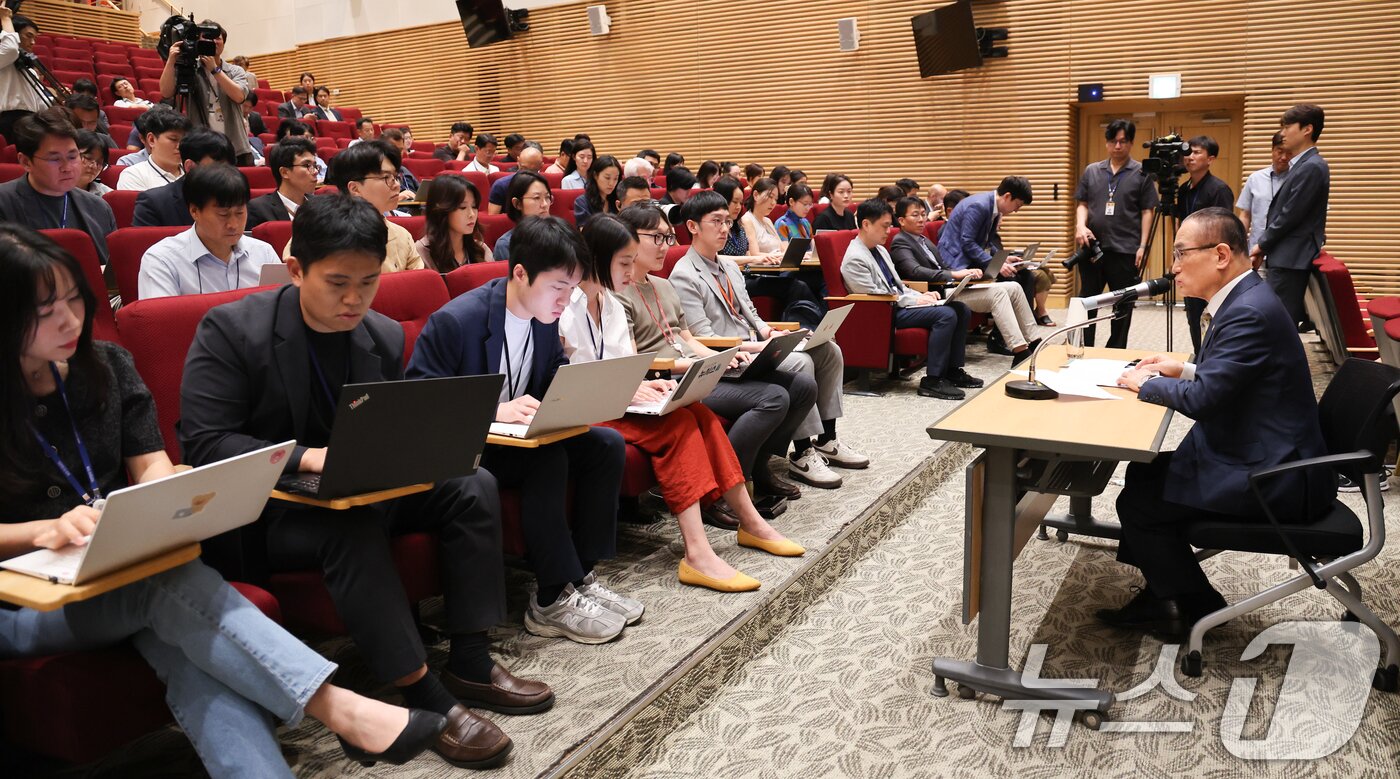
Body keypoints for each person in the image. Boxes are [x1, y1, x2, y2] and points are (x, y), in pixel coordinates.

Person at [0, 223, 448, 777]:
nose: (71, 320)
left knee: (190, 649)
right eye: (46, 311)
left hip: (119, 566)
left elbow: (149, 466)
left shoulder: (107, 368)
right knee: (165, 586)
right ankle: (337, 707)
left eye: (75, 299)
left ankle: (327, 727)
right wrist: (39, 531)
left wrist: (170, 494)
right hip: (23, 603)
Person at [180, 194, 533, 768]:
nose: (354, 300)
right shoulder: (231, 330)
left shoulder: (383, 335)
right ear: (296, 270)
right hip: (272, 511)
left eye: (367, 283)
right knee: (350, 523)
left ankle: (469, 655)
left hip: (361, 486)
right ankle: (421, 695)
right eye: (337, 283)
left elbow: (383, 429)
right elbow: (206, 444)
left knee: (474, 484)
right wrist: (308, 457)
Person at [1100, 207, 1335, 638]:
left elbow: (1205, 400)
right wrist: (1179, 368)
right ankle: (1162, 592)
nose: (1173, 268)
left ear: (1221, 254)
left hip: (1275, 475)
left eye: (1180, 254)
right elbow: (1232, 376)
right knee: (1143, 471)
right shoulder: (1247, 299)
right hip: (1264, 449)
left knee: (1140, 504)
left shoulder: (1248, 311)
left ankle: (1195, 606)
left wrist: (1142, 383)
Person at [407, 215, 636, 643]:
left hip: (517, 439)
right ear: (519, 273)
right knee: (546, 458)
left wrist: (575, 397)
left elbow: (551, 377)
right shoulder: (457, 321)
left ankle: (579, 578)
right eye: (557, 287)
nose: (566, 300)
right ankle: (550, 598)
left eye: (572, 289)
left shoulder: (544, 318)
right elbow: (419, 404)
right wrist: (495, 411)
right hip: (467, 447)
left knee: (605, 444)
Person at [561, 214, 805, 590]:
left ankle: (750, 522)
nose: (630, 273)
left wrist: (644, 385)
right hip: (589, 407)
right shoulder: (569, 305)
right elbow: (578, 378)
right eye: (624, 263)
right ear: (596, 258)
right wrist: (630, 386)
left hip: (620, 399)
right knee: (679, 426)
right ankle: (697, 552)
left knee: (699, 415)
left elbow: (626, 363)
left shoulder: (607, 302)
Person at [616, 204, 814, 510]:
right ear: (628, 238)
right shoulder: (618, 292)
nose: (665, 248)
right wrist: (703, 365)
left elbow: (688, 338)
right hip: (668, 379)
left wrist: (718, 359)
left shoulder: (663, 285)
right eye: (657, 238)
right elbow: (634, 361)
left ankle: (759, 466)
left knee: (802, 387)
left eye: (668, 238)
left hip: (694, 369)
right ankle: (728, 484)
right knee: (773, 397)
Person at [670, 190, 869, 489]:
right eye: (716, 222)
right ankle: (802, 453)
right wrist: (758, 345)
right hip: (731, 356)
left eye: (727, 221)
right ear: (693, 227)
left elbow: (750, 313)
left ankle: (828, 438)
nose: (725, 229)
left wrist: (770, 332)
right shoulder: (684, 274)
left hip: (754, 344)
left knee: (828, 349)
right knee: (800, 362)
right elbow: (703, 338)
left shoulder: (727, 266)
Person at [842, 198, 979, 400]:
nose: (889, 231)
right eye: (885, 226)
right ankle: (932, 380)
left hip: (896, 304)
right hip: (882, 312)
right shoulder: (855, 258)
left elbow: (897, 285)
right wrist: (915, 301)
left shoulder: (879, 249)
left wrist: (921, 295)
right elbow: (877, 297)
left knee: (960, 309)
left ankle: (952, 370)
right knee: (946, 315)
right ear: (866, 224)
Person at [889, 196, 1041, 362]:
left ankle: (1034, 341)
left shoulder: (923, 240)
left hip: (951, 285)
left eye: (924, 214)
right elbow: (916, 271)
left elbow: (943, 267)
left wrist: (964, 273)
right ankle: (1019, 350)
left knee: (1013, 287)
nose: (921, 219)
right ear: (902, 221)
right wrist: (955, 274)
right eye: (915, 215)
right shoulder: (900, 242)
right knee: (998, 294)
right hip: (936, 293)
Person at [1073, 118, 1159, 348]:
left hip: (1125, 250)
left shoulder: (1142, 173)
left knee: (1123, 305)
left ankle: (1115, 351)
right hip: (1092, 248)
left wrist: (1143, 246)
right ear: (1107, 143)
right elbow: (1082, 203)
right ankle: (1083, 348)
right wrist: (1080, 226)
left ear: (1131, 143)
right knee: (1087, 302)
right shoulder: (1092, 170)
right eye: (1113, 141)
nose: (1118, 146)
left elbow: (1147, 211)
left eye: (1123, 141)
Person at [136, 164, 281, 298]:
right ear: (194, 211)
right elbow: (162, 321)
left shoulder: (264, 253)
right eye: (223, 215)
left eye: (240, 213)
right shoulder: (162, 260)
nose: (233, 225)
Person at [0, 108, 117, 266]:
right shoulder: (4, 203)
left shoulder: (99, 208)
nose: (67, 167)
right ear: (26, 162)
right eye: (54, 159)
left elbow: (113, 274)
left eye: (72, 156)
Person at [936, 176, 1049, 335]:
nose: (1016, 210)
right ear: (1007, 196)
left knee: (1025, 275)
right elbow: (967, 242)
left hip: (971, 258)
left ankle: (1025, 333)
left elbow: (986, 243)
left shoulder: (993, 208)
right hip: (957, 262)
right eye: (1017, 205)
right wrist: (993, 263)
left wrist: (1003, 259)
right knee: (1011, 278)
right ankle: (1000, 338)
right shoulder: (979, 206)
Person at [1251, 104, 1329, 329]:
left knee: (1279, 324)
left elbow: (1290, 215)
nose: (1283, 133)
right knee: (1276, 320)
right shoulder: (1303, 165)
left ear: (1307, 129)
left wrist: (1261, 245)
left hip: (1291, 257)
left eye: (1287, 127)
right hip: (1286, 255)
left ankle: (1278, 366)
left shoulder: (1312, 166)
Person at [306, 141, 421, 272]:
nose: (396, 185)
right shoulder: (318, 232)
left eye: (395, 177)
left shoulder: (402, 235)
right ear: (355, 188)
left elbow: (419, 287)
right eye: (386, 178)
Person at [731, 176, 824, 330]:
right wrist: (776, 256)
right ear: (755, 195)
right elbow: (753, 255)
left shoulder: (767, 221)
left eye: (775, 198)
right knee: (799, 286)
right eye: (769, 196)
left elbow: (782, 250)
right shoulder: (747, 220)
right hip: (759, 273)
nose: (773, 202)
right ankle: (810, 328)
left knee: (819, 278)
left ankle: (820, 325)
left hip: (776, 268)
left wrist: (798, 255)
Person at [158, 21, 257, 165]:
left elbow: (239, 96)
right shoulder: (190, 69)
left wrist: (215, 69)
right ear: (198, 41)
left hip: (235, 146)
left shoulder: (235, 71)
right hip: (202, 147)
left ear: (223, 43)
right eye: (207, 38)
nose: (213, 41)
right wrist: (172, 60)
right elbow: (166, 92)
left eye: (217, 38)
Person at [1175, 135, 1236, 352]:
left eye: (1197, 152)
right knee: (1193, 313)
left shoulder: (1219, 189)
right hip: (1189, 257)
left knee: (1210, 313)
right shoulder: (1183, 190)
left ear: (1210, 159)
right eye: (1188, 152)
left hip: (1209, 260)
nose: (1189, 157)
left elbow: (1224, 229)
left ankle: (1213, 357)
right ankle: (1199, 356)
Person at [131, 127, 237, 228]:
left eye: (229, 169)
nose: (224, 176)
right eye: (216, 170)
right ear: (190, 167)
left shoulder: (237, 199)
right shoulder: (153, 204)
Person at [417, 173, 493, 270]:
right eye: (462, 207)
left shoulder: (481, 249)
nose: (472, 214)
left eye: (474, 207)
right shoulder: (421, 253)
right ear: (442, 210)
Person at [1236, 131, 1292, 254]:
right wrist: (1239, 244)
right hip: (1254, 251)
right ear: (1272, 150)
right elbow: (1245, 215)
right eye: (1280, 151)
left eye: (1289, 153)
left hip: (1285, 254)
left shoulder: (1298, 179)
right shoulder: (1255, 178)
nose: (1284, 157)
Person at [247, 136, 318, 228]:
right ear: (284, 172)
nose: (315, 171)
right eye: (307, 165)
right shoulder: (258, 209)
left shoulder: (321, 206)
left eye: (315, 165)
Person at [117, 108, 191, 192]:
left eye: (184, 140)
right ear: (151, 139)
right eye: (173, 139)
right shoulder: (133, 175)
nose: (180, 146)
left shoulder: (194, 172)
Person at [0, 8, 45, 142]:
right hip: (10, 121)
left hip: (32, 121)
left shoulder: (31, 70)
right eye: (28, 36)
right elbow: (10, 48)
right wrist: (6, 18)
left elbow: (40, 105)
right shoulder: (3, 59)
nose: (33, 43)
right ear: (14, 35)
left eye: (34, 38)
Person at [492, 170, 550, 261]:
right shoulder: (506, 245)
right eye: (536, 198)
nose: (545, 204)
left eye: (547, 197)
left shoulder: (562, 235)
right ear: (517, 204)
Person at [486, 141, 543, 214]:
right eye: (524, 168)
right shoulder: (501, 186)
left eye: (533, 171)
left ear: (541, 166)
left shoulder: (543, 184)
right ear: (518, 161)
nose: (528, 174)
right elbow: (493, 220)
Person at [573, 154, 622, 225]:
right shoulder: (582, 202)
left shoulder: (619, 200)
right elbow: (585, 231)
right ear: (595, 175)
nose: (611, 183)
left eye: (615, 179)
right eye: (607, 178)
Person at [380, 127, 419, 199]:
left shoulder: (404, 170)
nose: (398, 153)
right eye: (394, 149)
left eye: (400, 150)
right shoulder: (377, 172)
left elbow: (419, 191)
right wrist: (397, 197)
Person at [75, 130, 112, 197]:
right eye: (88, 158)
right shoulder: (52, 191)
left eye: (99, 163)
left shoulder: (107, 194)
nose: (94, 166)